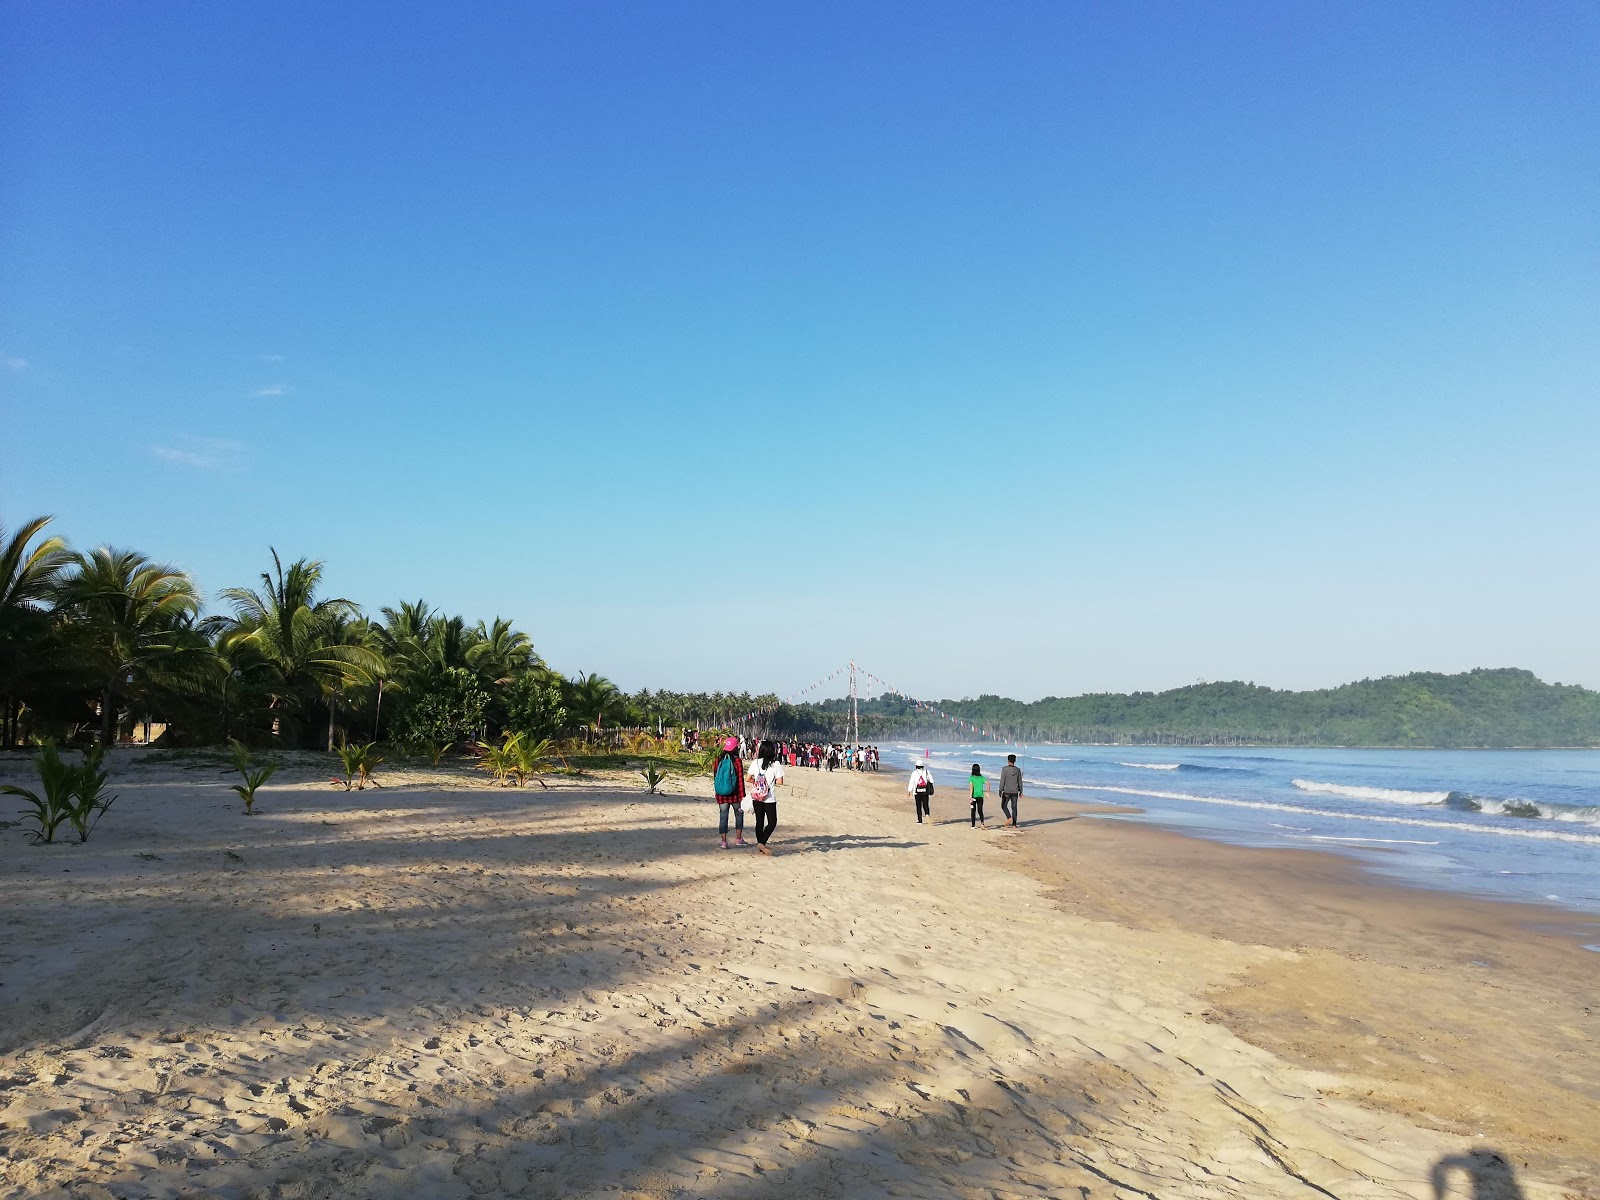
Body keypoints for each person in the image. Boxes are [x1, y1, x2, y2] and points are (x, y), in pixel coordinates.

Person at [712, 735, 747, 849]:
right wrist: (743, 795)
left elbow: (716, 777)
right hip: (735, 794)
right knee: (739, 814)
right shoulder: (737, 761)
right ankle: (738, 839)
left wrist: (717, 792)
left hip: (721, 793)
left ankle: (723, 841)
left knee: (723, 816)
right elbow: (740, 779)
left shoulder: (718, 760)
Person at [750, 742, 779, 855]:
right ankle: (762, 843)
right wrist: (769, 783)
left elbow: (748, 778)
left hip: (757, 796)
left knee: (759, 821)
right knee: (772, 822)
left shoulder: (755, 763)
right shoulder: (775, 764)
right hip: (769, 798)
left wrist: (758, 783)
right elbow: (780, 781)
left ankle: (760, 845)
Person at [998, 753, 1023, 827]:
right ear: (1015, 761)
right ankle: (1014, 824)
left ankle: (1009, 817)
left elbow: (1003, 780)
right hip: (1015, 791)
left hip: (1006, 791)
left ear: (1008, 760)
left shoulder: (1004, 769)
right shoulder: (1018, 770)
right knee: (1014, 807)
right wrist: (1021, 791)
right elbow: (1020, 781)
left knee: (1003, 806)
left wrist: (1000, 789)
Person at [907, 758, 934, 823]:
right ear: (922, 766)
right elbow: (932, 781)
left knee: (918, 806)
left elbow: (911, 782)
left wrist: (909, 791)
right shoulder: (927, 772)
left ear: (916, 766)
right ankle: (927, 814)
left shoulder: (914, 773)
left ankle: (920, 820)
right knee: (926, 804)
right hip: (925, 791)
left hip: (917, 792)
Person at [969, 763, 987, 827]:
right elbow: (988, 784)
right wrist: (987, 792)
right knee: (980, 811)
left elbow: (971, 788)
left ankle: (973, 825)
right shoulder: (982, 778)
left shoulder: (971, 778)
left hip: (974, 796)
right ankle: (982, 823)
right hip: (980, 796)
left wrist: (970, 797)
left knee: (973, 811)